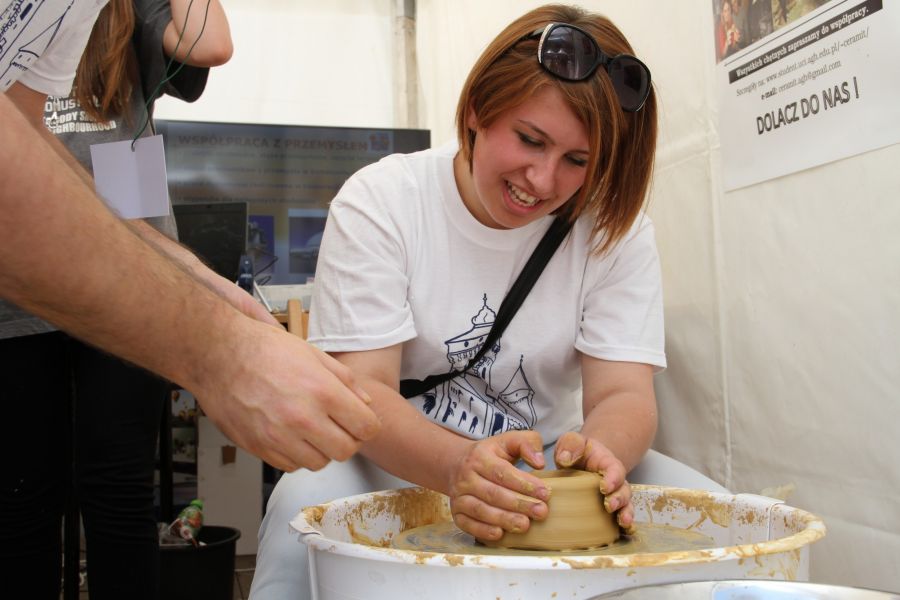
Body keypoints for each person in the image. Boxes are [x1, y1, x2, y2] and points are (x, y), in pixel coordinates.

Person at [251, 5, 727, 599]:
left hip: (548, 459)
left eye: (577, 161)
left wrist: (600, 457)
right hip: (392, 456)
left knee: (717, 518)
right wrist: (457, 470)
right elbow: (364, 392)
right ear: (477, 108)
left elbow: (624, 394)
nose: (544, 180)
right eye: (530, 140)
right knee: (301, 505)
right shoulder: (382, 201)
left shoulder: (614, 228)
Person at [0, 5, 380, 596]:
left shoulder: (100, 15)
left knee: (118, 483)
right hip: (19, 288)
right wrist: (218, 349)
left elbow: (26, 126)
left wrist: (185, 275)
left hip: (132, 274)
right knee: (24, 489)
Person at [1, 1, 228, 597]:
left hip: (133, 262)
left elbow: (211, 45)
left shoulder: (124, 8)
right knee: (24, 491)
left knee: (119, 485)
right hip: (24, 263)